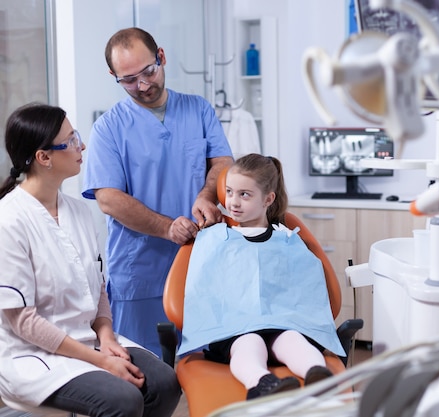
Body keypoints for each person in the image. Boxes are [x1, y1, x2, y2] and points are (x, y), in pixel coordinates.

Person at [0, 103, 181, 416]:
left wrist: (107, 337)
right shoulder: (9, 220)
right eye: (70, 140)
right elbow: (23, 321)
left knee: (165, 383)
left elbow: (97, 288)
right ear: (44, 158)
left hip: (90, 339)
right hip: (34, 355)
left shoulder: (80, 212)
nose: (81, 145)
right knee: (123, 399)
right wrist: (100, 360)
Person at [82, 27, 234, 355]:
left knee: (206, 364)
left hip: (199, 261)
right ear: (114, 76)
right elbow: (108, 199)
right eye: (128, 79)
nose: (143, 85)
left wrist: (207, 194)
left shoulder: (199, 109)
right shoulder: (108, 129)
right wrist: (167, 227)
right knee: (142, 374)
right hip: (140, 271)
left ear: (161, 57)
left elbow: (222, 163)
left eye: (149, 71)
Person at [178, 154, 344, 400]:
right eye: (229, 192)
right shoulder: (214, 239)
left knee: (293, 340)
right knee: (248, 345)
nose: (233, 201)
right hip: (234, 329)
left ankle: (317, 375)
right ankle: (261, 382)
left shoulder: (287, 240)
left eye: (245, 194)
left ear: (268, 199)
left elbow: (305, 290)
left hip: (282, 322)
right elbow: (204, 291)